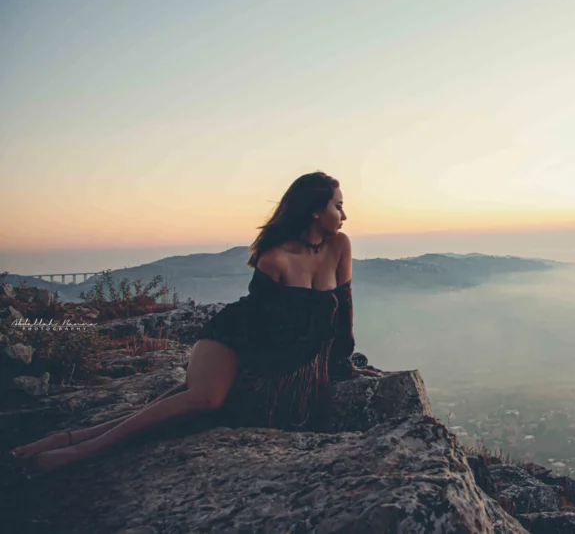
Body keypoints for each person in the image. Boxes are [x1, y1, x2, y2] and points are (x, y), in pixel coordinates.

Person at [8, 171, 382, 477]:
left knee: (186, 398)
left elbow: (343, 308)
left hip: (274, 348)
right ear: (316, 211)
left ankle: (67, 437)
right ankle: (77, 451)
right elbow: (260, 323)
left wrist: (341, 362)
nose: (344, 215)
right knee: (205, 398)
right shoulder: (275, 257)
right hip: (234, 338)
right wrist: (251, 377)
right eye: (339, 205)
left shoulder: (340, 246)